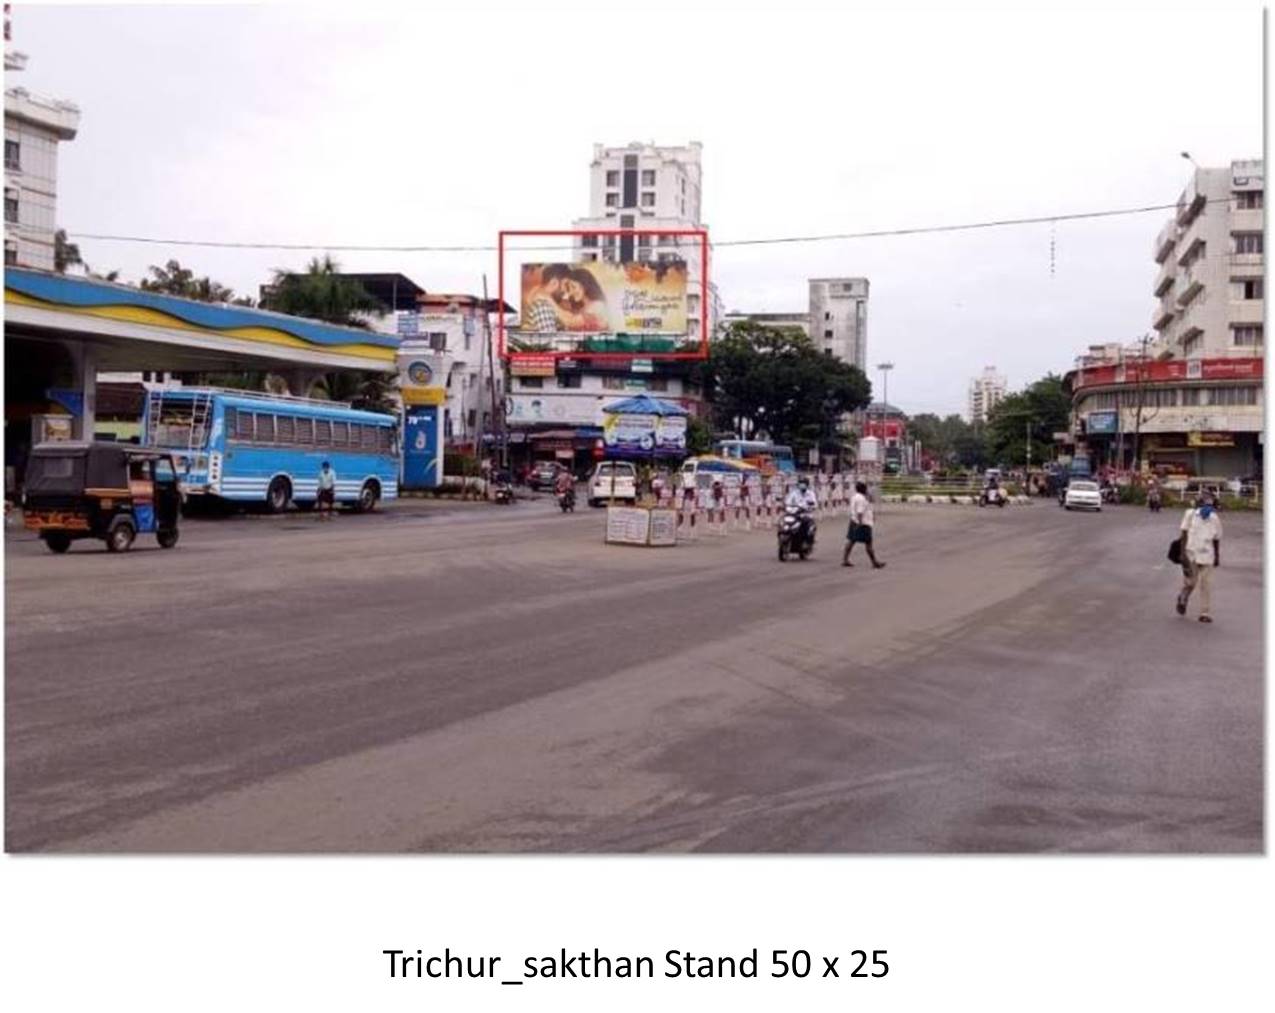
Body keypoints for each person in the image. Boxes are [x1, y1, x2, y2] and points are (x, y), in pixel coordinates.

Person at [1176, 490, 1222, 622]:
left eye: (1209, 504)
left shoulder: (1214, 519)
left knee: (1206, 584)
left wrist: (1217, 556)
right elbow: (1183, 534)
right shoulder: (1190, 515)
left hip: (1208, 555)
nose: (1207, 508)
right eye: (1204, 503)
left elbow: (1217, 539)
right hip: (1191, 553)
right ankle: (1183, 597)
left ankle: (1204, 613)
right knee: (1191, 582)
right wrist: (1182, 553)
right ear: (1199, 503)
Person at [843, 480, 885, 569]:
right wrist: (860, 523)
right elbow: (860, 512)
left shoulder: (855, 497)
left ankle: (845, 559)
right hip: (863, 523)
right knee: (868, 543)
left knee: (851, 540)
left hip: (854, 521)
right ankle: (874, 562)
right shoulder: (861, 499)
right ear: (863, 489)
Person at [785, 475, 818, 545]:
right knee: (785, 521)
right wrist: (786, 505)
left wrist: (811, 507)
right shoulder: (794, 493)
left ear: (807, 484)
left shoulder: (810, 493)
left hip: (806, 514)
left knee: (806, 525)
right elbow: (788, 501)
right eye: (800, 483)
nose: (802, 485)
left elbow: (815, 504)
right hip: (795, 513)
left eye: (803, 483)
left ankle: (806, 541)